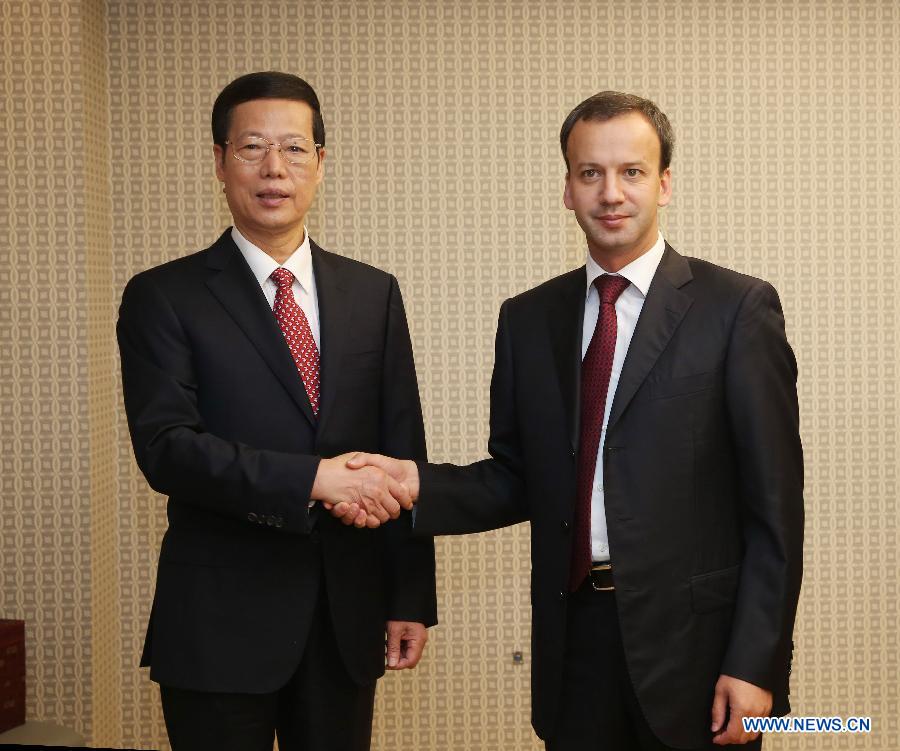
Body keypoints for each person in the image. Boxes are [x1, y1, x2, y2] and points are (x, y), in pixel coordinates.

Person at [342, 92, 804, 750]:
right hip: (573, 643)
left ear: (665, 183)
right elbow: (516, 478)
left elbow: (775, 509)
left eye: (632, 172)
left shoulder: (736, 309)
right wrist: (414, 484)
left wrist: (755, 663)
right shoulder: (527, 319)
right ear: (567, 188)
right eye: (590, 173)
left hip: (698, 651)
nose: (611, 191)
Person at [116, 71, 436, 751]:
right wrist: (315, 479)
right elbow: (168, 448)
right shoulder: (163, 296)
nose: (273, 168)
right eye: (252, 147)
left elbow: (403, 445)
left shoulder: (372, 292)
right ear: (219, 161)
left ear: (320, 163)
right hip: (217, 624)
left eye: (294, 149)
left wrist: (410, 595)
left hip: (344, 617)